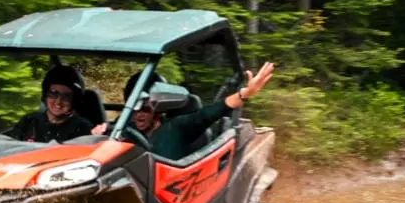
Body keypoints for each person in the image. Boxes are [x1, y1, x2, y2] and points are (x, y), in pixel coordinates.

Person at [92, 62, 276, 160]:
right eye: (134, 108)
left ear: (158, 108)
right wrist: (97, 135)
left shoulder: (178, 127)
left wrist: (246, 93)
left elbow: (212, 111)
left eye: (146, 108)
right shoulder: (121, 130)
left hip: (176, 197)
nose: (139, 114)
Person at [4, 65, 95, 143]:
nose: (58, 102)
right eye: (53, 94)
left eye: (66, 96)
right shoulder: (29, 121)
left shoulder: (82, 128)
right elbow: (7, 145)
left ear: (74, 100)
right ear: (45, 95)